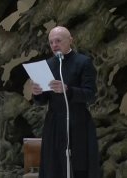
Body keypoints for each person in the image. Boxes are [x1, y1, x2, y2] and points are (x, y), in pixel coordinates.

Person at [30, 26, 100, 178]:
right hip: (54, 123)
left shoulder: (83, 62)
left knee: (78, 164)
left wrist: (68, 90)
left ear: (70, 41)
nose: (54, 45)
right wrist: (37, 94)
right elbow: (42, 101)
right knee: (53, 166)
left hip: (78, 122)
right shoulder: (47, 65)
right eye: (51, 42)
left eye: (58, 41)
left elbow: (91, 95)